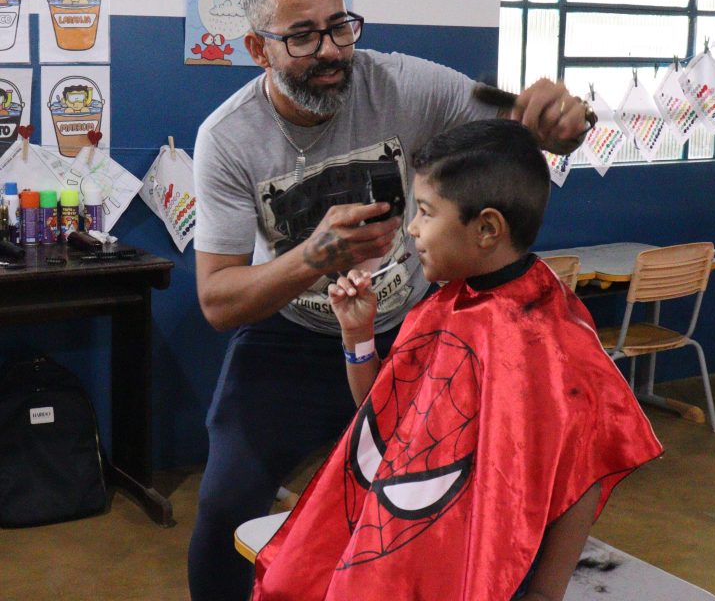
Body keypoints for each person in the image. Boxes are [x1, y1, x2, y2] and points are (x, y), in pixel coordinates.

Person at [189, 0, 596, 601]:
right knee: (225, 506)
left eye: (340, 26)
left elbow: (525, 124)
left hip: (413, 335)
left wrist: (564, 121)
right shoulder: (228, 139)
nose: (331, 51)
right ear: (258, 49)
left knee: (443, 502)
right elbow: (217, 299)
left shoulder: (406, 85)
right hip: (289, 340)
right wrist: (315, 255)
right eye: (302, 37)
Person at [253, 119, 663, 601]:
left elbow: (583, 470)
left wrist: (546, 592)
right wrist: (358, 335)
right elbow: (383, 416)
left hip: (483, 563)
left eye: (426, 212)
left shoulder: (550, 339)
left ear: (487, 228)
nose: (412, 228)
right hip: (406, 542)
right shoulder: (447, 303)